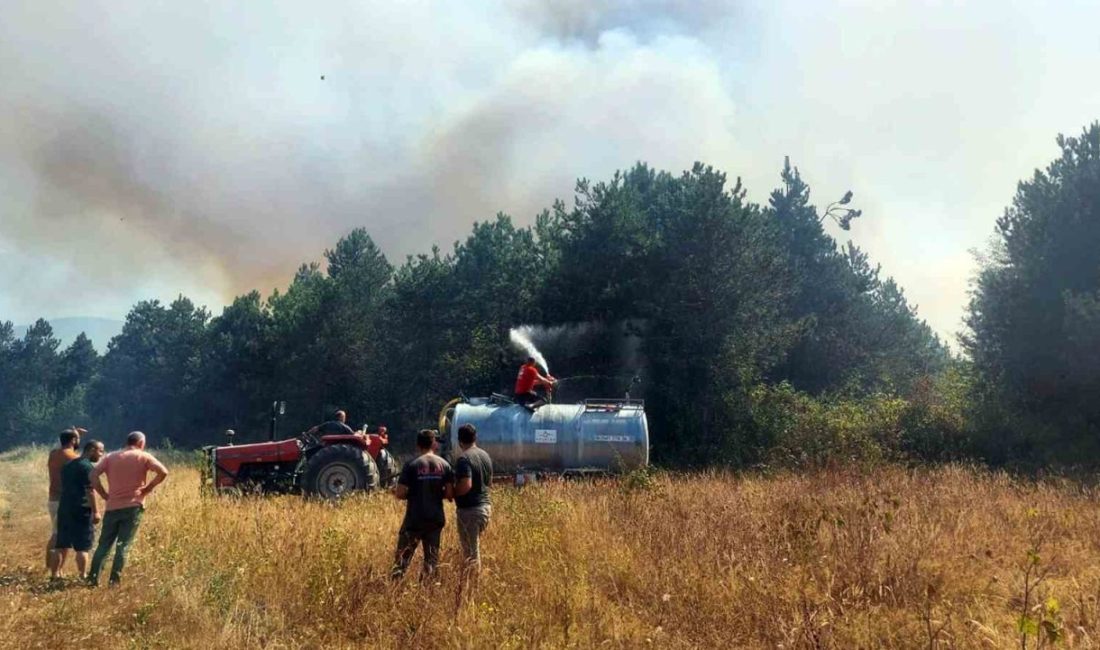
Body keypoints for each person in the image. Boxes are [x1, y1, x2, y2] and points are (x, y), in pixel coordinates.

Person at [87, 431, 169, 586]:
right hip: (133, 506)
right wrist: (148, 488)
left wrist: (104, 494)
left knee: (104, 544)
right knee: (123, 545)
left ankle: (92, 578)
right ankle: (114, 581)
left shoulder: (110, 457)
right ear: (140, 443)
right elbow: (163, 472)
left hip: (112, 506)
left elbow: (92, 475)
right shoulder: (143, 456)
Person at [391, 429, 454, 582]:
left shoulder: (411, 465)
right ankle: (426, 592)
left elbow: (400, 493)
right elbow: (450, 495)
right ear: (434, 444)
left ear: (418, 445)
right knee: (431, 561)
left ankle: (394, 590)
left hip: (414, 520)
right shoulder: (445, 465)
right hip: (435, 519)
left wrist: (410, 493)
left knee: (401, 561)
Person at [53, 439, 105, 580]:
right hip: (81, 510)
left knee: (61, 544)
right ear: (92, 449)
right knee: (83, 546)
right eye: (100, 451)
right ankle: (82, 575)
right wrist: (96, 511)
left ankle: (55, 574)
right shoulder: (87, 467)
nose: (102, 455)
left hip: (64, 508)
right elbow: (90, 491)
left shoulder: (68, 465)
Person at [454, 424, 493, 585]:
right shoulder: (485, 455)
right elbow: (489, 482)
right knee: (473, 546)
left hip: (470, 511)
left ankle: (473, 586)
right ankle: (473, 581)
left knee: (471, 553)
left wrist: (452, 493)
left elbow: (466, 485)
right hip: (486, 508)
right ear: (475, 438)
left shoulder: (464, 459)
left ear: (459, 441)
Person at [46, 428, 83, 574]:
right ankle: (57, 571)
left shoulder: (53, 454)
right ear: (73, 441)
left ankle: (50, 567)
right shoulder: (72, 458)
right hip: (65, 501)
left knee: (55, 533)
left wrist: (74, 434)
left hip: (52, 499)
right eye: (77, 439)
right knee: (61, 538)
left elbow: (62, 445)